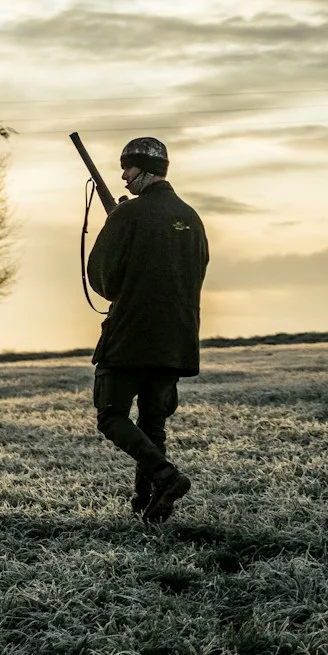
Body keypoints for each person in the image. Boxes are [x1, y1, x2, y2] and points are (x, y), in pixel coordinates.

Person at [86, 136, 209, 522]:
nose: (122, 176)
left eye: (128, 168)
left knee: (111, 415)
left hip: (130, 335)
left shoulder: (128, 215)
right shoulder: (191, 217)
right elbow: (196, 272)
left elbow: (104, 279)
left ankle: (165, 476)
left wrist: (117, 226)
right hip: (176, 338)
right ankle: (147, 503)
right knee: (152, 421)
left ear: (144, 170)